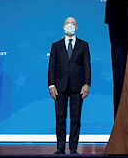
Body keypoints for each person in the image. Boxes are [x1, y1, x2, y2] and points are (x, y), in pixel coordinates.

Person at [48, 17, 91, 154]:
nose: (70, 26)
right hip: (59, 86)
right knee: (60, 118)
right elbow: (51, 67)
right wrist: (51, 85)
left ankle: (73, 148)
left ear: (76, 28)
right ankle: (60, 148)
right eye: (68, 23)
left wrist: (87, 84)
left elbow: (87, 66)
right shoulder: (56, 45)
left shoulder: (84, 45)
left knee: (75, 118)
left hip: (77, 87)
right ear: (63, 27)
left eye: (73, 24)